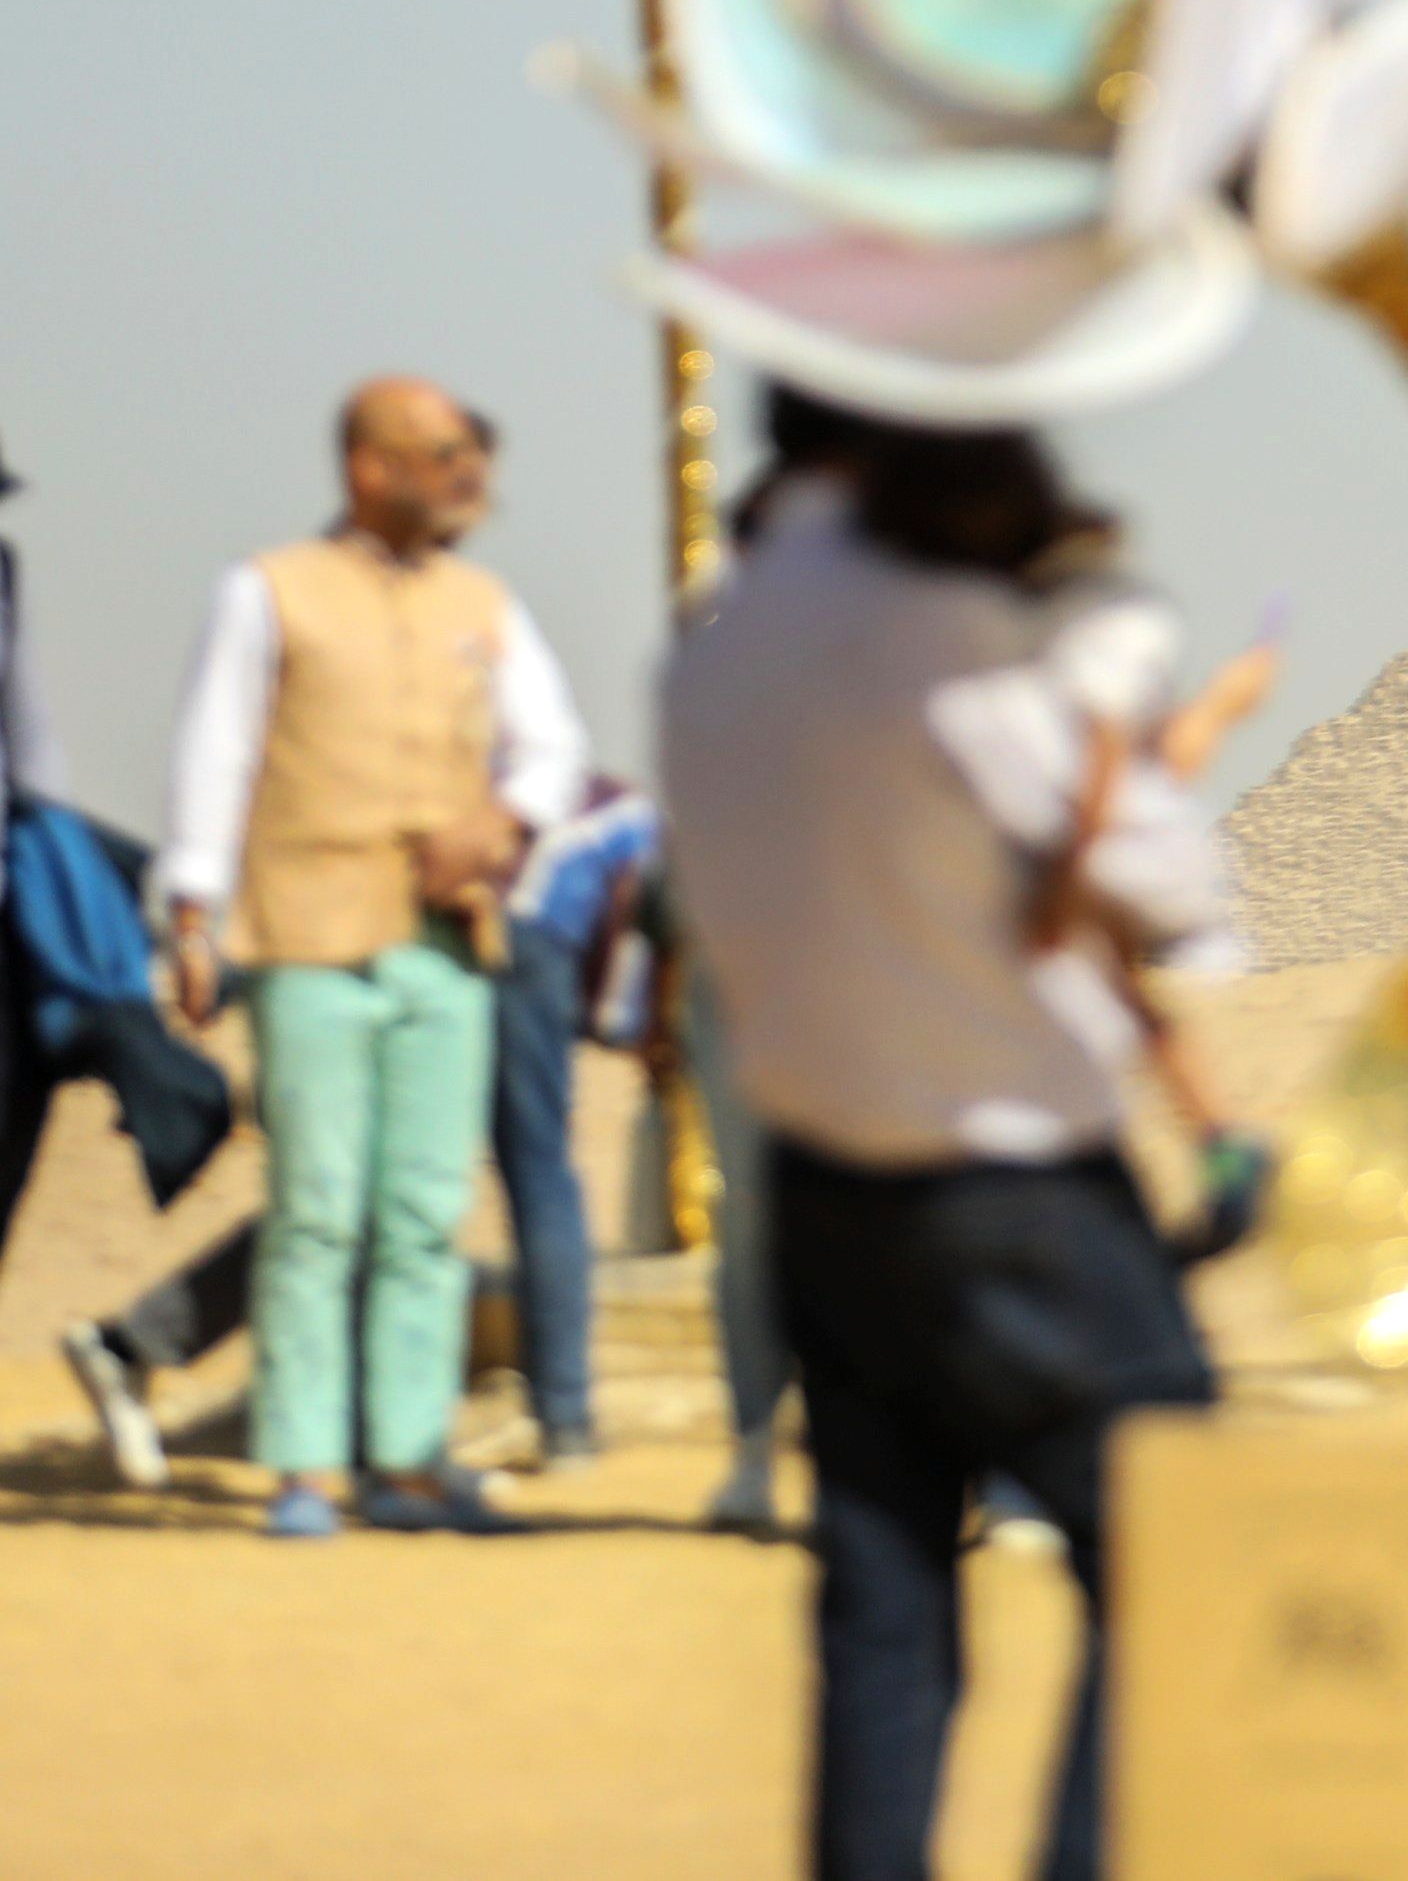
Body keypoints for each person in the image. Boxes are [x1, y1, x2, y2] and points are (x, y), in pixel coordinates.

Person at [661, 392, 1252, 1881]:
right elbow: (1170, 886)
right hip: (1016, 1183)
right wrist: (1107, 681)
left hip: (824, 1184)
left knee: (885, 1607)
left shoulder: (714, 645)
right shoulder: (949, 635)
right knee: (1181, 1545)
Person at [155, 375, 588, 1538]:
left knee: (425, 1211)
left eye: (472, 455)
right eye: (443, 454)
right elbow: (214, 753)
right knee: (315, 1209)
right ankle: (305, 1462)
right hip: (308, 933)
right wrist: (192, 913)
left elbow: (554, 746)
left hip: (443, 946)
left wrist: (501, 822)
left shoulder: (484, 604)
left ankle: (405, 1457)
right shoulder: (268, 591)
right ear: (370, 467)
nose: (468, 477)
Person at [494, 772, 657, 1462]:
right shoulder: (632, 818)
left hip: (461, 917)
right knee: (542, 1172)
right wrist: (614, 1018)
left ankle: (375, 1431)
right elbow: (628, 914)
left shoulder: (521, 786)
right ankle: (565, 1419)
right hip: (535, 936)